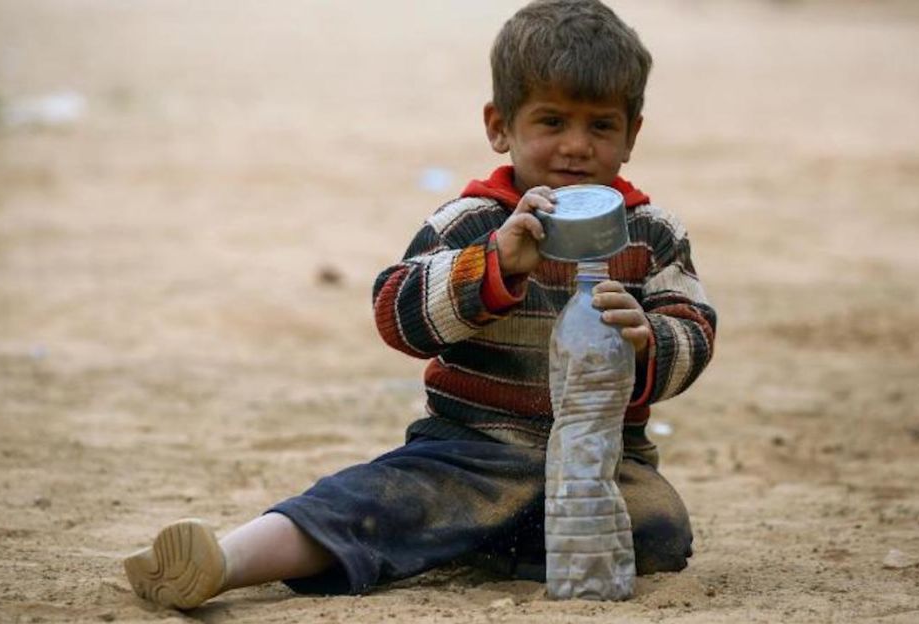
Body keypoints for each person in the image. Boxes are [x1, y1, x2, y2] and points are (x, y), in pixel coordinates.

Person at [123, 0, 717, 609]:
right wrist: (491, 266)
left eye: (600, 126)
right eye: (551, 122)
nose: (576, 146)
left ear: (632, 135)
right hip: (468, 452)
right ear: (499, 126)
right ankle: (221, 561)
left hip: (604, 457)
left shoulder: (651, 233)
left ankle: (478, 543)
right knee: (372, 503)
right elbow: (396, 314)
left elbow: (694, 330)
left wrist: (649, 338)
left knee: (659, 525)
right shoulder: (473, 221)